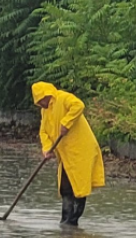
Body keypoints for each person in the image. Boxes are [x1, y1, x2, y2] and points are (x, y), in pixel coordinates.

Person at [32, 82, 105, 226]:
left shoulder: (63, 98)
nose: (40, 104)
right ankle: (65, 221)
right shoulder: (45, 111)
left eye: (41, 100)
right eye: (38, 102)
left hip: (81, 150)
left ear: (47, 95)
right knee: (65, 187)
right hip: (65, 154)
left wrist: (66, 123)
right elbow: (44, 131)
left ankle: (72, 221)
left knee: (79, 187)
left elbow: (79, 105)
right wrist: (47, 148)